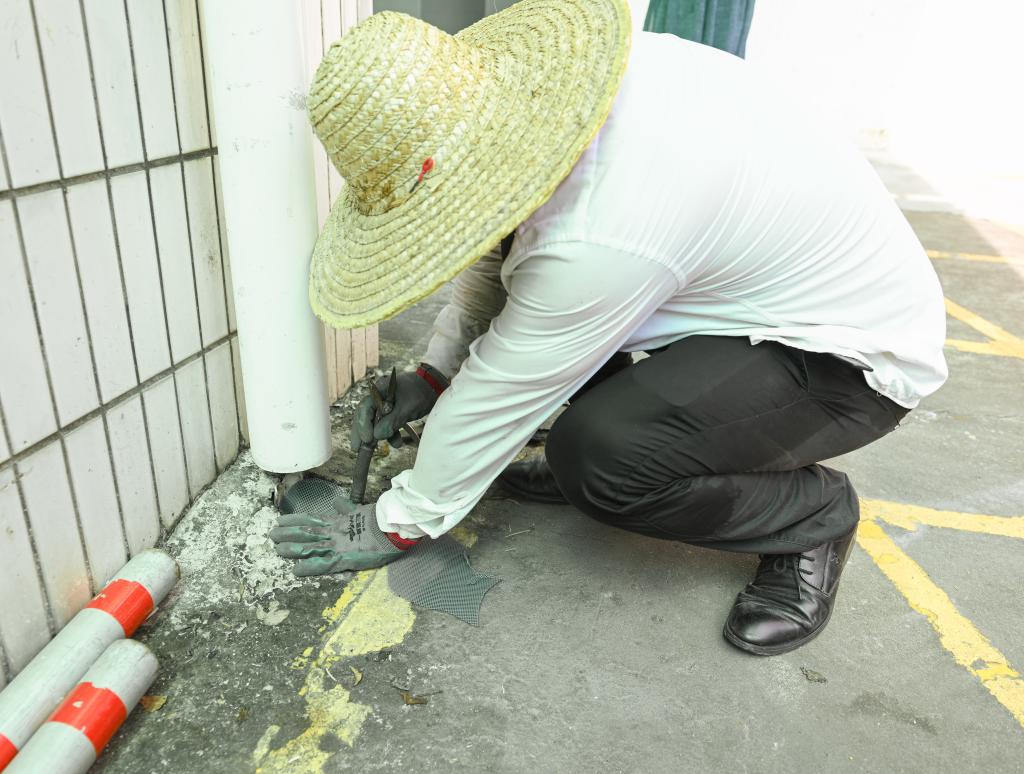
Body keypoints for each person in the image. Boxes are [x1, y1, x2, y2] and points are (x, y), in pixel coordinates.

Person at [269, 0, 947, 655]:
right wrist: (432, 374)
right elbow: (495, 255)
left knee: (603, 460)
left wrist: (399, 521)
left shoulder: (599, 234)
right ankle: (641, 456)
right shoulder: (559, 104)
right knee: (570, 371)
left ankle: (811, 517)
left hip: (845, 360)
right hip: (751, 301)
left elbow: (504, 387)